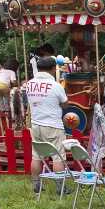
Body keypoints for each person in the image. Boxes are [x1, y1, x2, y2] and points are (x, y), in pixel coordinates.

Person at [25, 55, 69, 194]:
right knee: (58, 157)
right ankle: (60, 188)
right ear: (52, 69)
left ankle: (36, 185)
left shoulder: (30, 84)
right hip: (53, 125)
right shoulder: (56, 86)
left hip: (36, 125)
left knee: (36, 156)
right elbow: (65, 104)